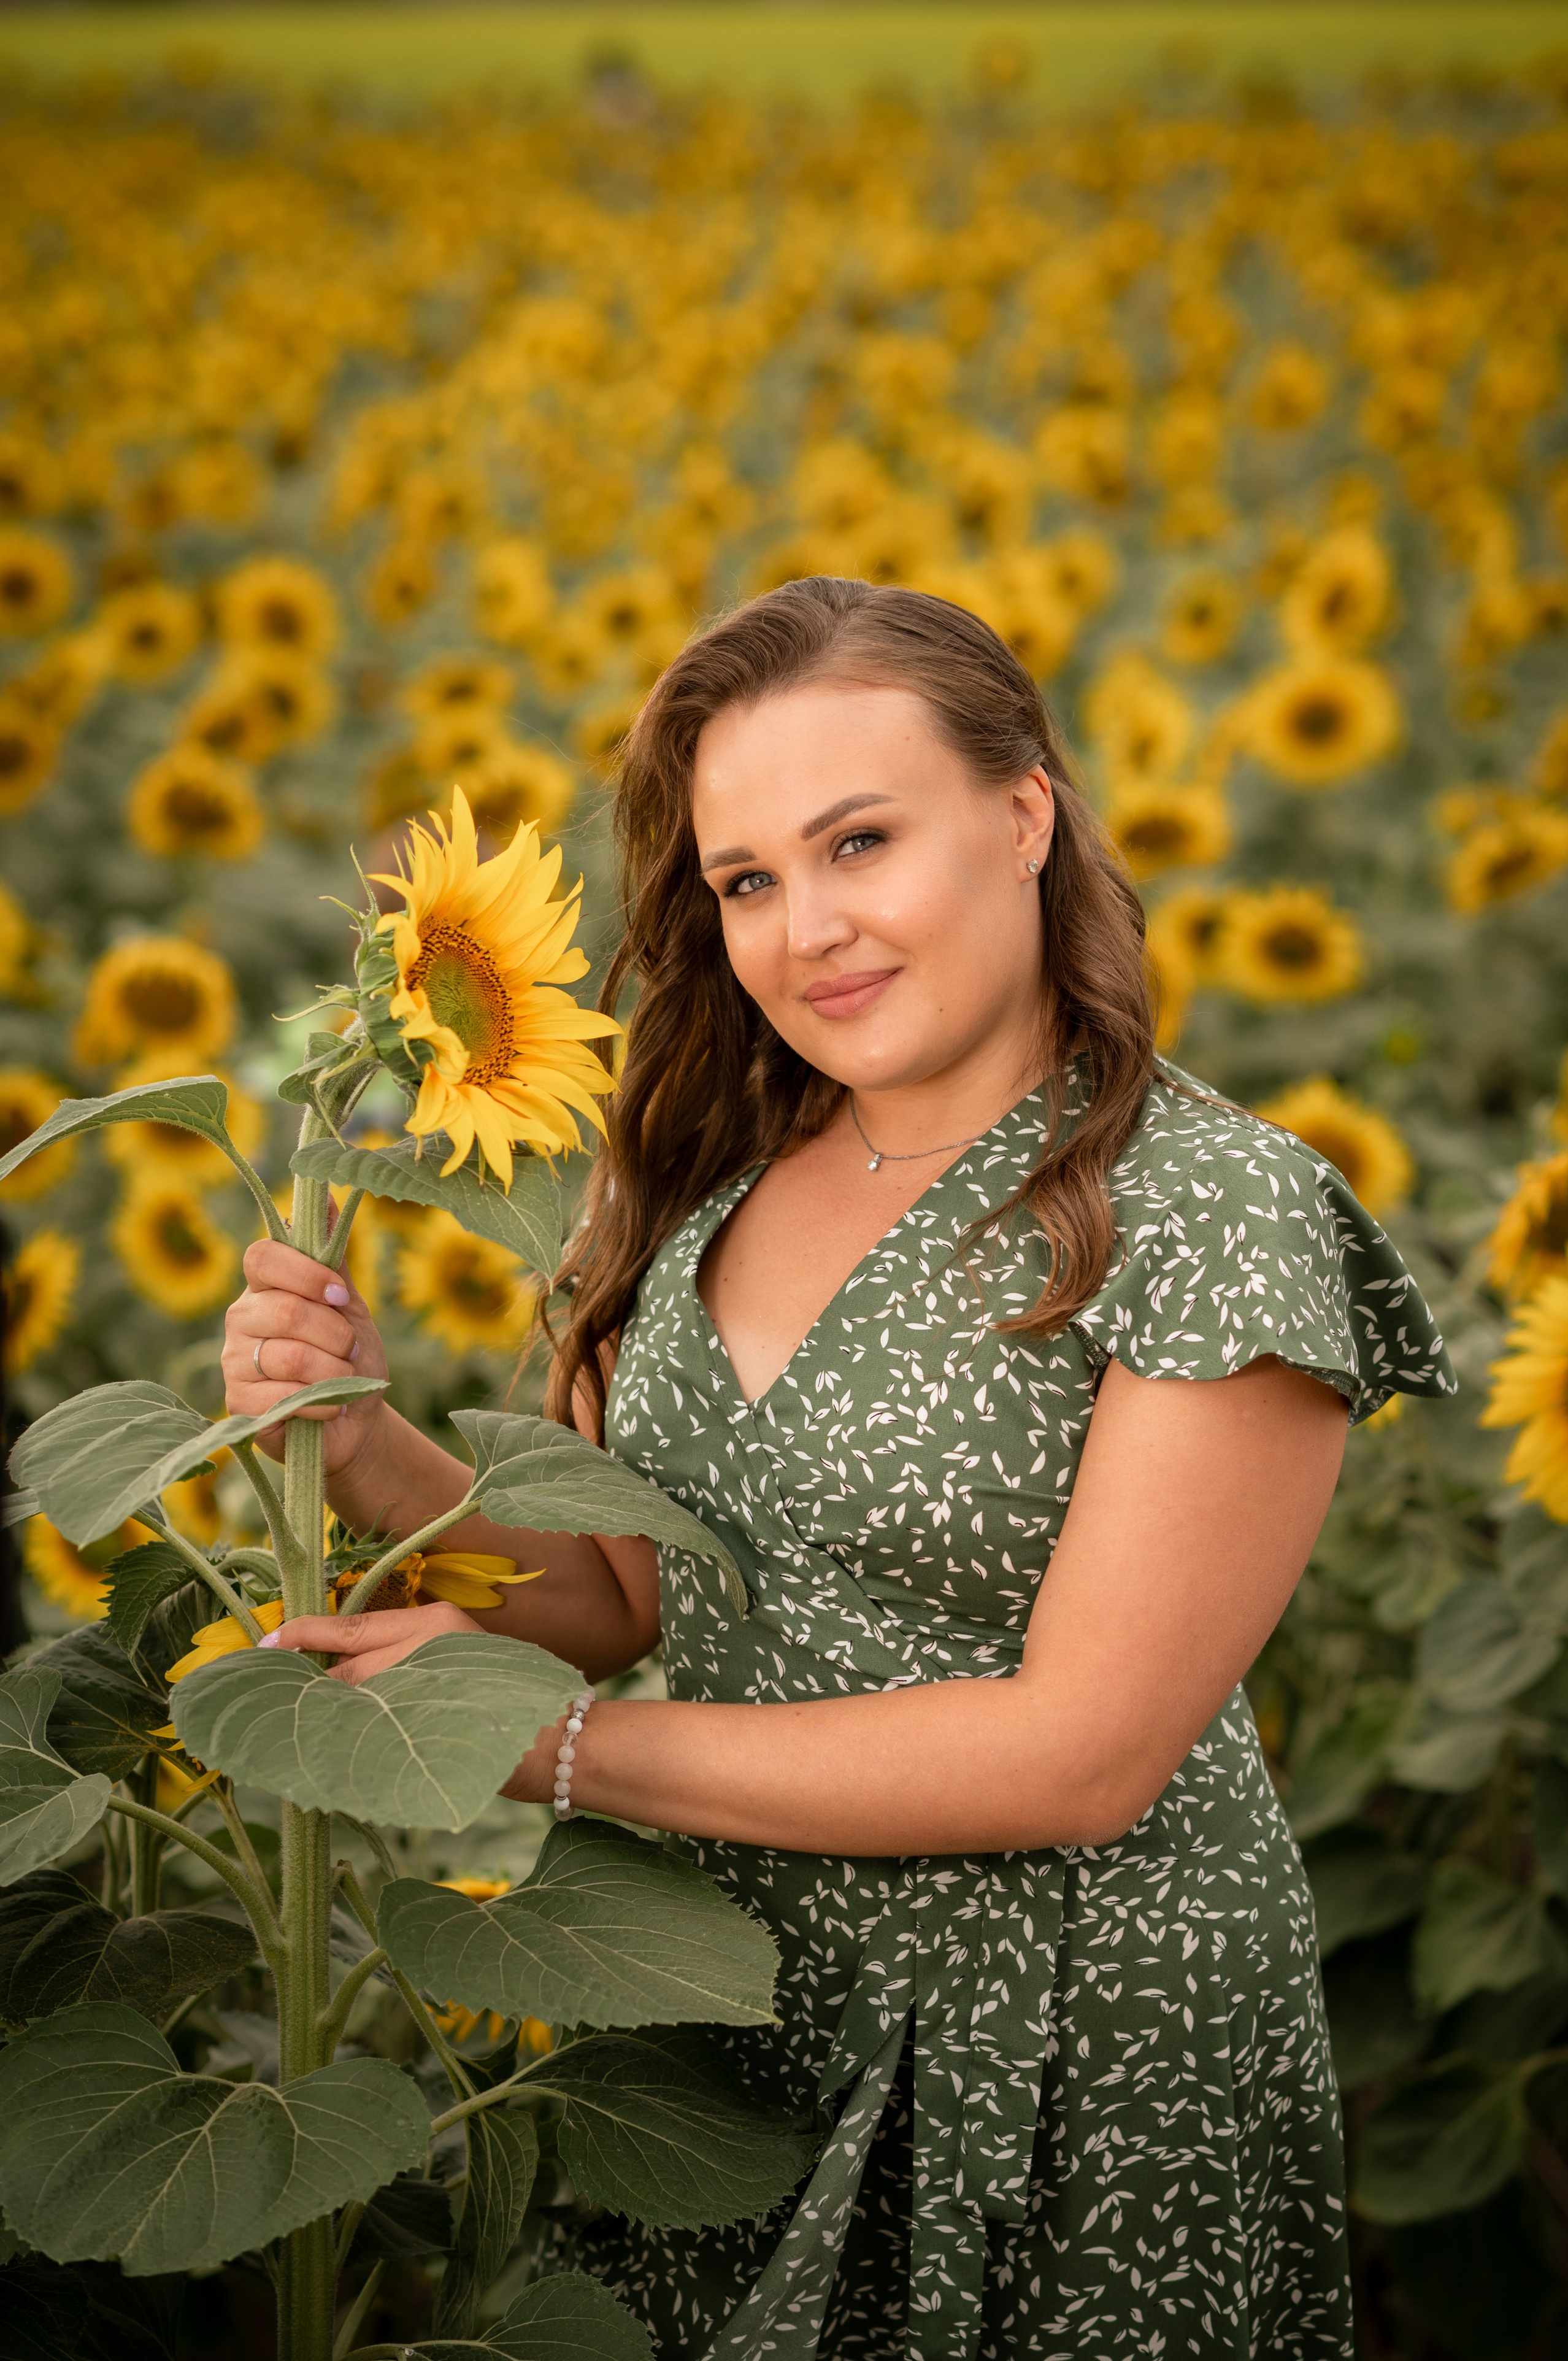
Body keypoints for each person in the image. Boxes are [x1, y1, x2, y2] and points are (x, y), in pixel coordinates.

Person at [223, 578, 1454, 2361]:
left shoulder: (1210, 1209)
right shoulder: (705, 1168)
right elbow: (629, 1595)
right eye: (747, 882)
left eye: (860, 841)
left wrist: (547, 1748)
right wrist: (365, 1445)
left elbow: (1083, 1755)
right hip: (711, 2013)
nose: (809, 930)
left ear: (1023, 814)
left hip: (1062, 2054)